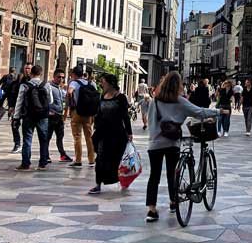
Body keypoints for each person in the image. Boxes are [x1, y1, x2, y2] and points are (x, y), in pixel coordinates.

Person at [145, 71, 222, 222]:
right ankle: (174, 202)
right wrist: (218, 112)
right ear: (178, 85)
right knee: (172, 174)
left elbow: (150, 122)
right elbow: (199, 112)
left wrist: (154, 138)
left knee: (154, 176)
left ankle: (151, 210)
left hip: (155, 143)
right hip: (172, 142)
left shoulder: (155, 101)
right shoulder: (179, 101)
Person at [88, 73, 133, 194]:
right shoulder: (103, 96)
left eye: (103, 81)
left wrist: (129, 132)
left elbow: (125, 116)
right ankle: (98, 184)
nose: (101, 84)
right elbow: (99, 113)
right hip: (103, 132)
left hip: (117, 133)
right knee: (100, 159)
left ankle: (123, 179)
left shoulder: (121, 98)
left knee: (118, 159)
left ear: (110, 83)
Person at [15, 65, 51, 171]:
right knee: (43, 140)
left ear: (31, 73)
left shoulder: (25, 85)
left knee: (27, 140)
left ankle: (25, 164)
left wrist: (16, 117)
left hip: (28, 116)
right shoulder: (46, 85)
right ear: (41, 73)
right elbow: (51, 101)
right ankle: (42, 163)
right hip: (43, 116)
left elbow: (19, 101)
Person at [67, 65, 97, 168]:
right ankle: (91, 159)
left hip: (77, 112)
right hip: (88, 113)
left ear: (74, 74)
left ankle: (78, 160)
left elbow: (70, 92)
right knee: (89, 137)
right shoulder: (89, 83)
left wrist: (71, 102)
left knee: (77, 137)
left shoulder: (74, 83)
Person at [45, 69, 71, 163]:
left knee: (60, 136)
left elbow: (64, 99)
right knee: (48, 137)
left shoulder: (60, 88)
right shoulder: (49, 87)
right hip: (52, 116)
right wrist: (48, 111)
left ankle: (62, 154)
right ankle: (45, 155)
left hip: (59, 116)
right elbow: (45, 100)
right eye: (59, 77)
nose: (61, 79)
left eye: (63, 77)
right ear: (54, 77)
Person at [6, 63, 32, 153]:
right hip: (18, 106)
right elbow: (13, 93)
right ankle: (17, 143)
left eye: (28, 68)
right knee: (14, 125)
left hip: (29, 108)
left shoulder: (34, 81)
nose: (27, 70)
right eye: (25, 68)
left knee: (27, 128)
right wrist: (11, 106)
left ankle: (26, 145)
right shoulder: (19, 79)